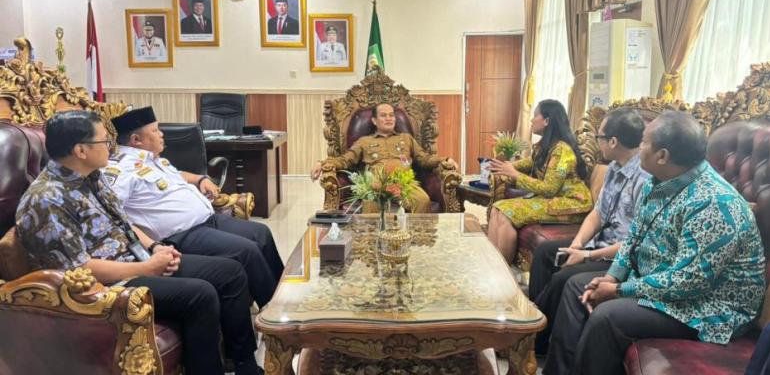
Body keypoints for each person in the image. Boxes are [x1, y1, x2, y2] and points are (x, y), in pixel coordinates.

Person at [15, 111, 261, 375]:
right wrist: (147, 268)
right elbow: (79, 269)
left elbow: (123, 222)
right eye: (104, 141)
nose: (111, 147)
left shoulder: (92, 176)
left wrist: (155, 247)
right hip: (107, 285)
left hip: (136, 259)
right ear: (81, 150)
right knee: (201, 294)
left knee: (230, 272)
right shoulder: (47, 199)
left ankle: (245, 365)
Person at [544, 111, 765, 375]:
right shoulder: (657, 182)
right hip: (660, 281)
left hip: (707, 307)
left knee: (607, 317)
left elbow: (689, 281)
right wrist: (613, 277)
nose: (638, 147)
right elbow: (634, 237)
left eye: (643, 142)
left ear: (662, 156)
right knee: (576, 287)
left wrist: (618, 290)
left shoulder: (713, 203)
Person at [106, 106, 284, 308]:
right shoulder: (120, 170)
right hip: (181, 235)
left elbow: (177, 175)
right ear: (136, 140)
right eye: (155, 131)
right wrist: (152, 246)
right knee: (247, 251)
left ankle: (284, 296)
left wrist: (200, 179)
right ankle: (274, 310)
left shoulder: (153, 159)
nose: (162, 134)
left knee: (261, 233)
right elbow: (116, 216)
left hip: (208, 220)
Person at [528, 108, 647, 355]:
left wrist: (587, 255)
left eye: (599, 137)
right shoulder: (614, 167)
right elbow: (598, 213)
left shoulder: (645, 179)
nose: (597, 142)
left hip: (619, 257)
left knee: (564, 277)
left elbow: (635, 243)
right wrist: (578, 244)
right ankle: (537, 327)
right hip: (600, 242)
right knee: (546, 252)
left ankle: (532, 338)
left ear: (613, 142)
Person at [486, 100, 593, 264]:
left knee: (506, 213)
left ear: (547, 121)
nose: (531, 119)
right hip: (554, 199)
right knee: (497, 208)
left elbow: (549, 188)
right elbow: (530, 163)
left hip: (570, 203)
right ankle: (492, 264)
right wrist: (504, 166)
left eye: (535, 115)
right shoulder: (546, 146)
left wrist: (515, 175)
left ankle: (503, 269)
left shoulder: (562, 150)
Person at [310, 102, 459, 213]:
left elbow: (424, 158)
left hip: (404, 181)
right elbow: (345, 159)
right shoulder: (364, 141)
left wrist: (445, 160)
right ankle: (370, 242)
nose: (389, 118)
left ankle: (419, 240)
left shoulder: (406, 138)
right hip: (376, 183)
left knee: (422, 200)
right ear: (374, 121)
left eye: (391, 115)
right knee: (371, 202)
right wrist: (322, 163)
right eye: (383, 115)